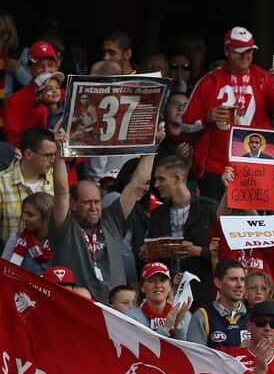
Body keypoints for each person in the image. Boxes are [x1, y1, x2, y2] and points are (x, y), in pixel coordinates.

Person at [183, 27, 274, 197]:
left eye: (250, 51)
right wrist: (208, 118)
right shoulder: (209, 82)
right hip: (217, 167)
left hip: (256, 167)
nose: (246, 56)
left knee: (251, 221)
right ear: (227, 51)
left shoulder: (264, 79)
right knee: (216, 220)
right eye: (240, 52)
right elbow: (185, 124)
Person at [51, 131, 155, 303]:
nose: (94, 208)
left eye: (97, 202)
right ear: (73, 204)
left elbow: (137, 185)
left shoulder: (111, 221)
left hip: (115, 313)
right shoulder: (64, 227)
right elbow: (61, 191)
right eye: (87, 203)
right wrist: (60, 153)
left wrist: (152, 146)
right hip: (80, 309)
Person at [147, 155, 217, 298]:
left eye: (161, 179)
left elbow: (227, 253)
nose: (156, 185)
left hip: (203, 290)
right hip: (168, 292)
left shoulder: (209, 208)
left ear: (177, 179)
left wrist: (199, 251)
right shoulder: (157, 214)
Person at [0, 127, 56, 243]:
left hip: (51, 257)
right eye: (48, 155)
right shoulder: (2, 183)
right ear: (29, 154)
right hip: (9, 257)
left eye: (54, 155)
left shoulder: (57, 182)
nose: (53, 160)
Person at [187, 259, 249, 347]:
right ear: (218, 283)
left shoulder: (254, 316)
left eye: (242, 279)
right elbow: (195, 357)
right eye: (233, 279)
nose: (239, 285)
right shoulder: (203, 316)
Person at [125, 262, 191, 338]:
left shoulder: (184, 314)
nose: (158, 285)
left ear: (169, 287)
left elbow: (188, 348)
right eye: (151, 281)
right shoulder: (131, 317)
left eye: (162, 280)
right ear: (142, 288)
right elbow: (139, 347)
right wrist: (165, 328)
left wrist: (179, 325)